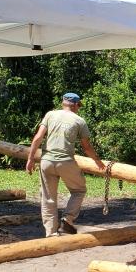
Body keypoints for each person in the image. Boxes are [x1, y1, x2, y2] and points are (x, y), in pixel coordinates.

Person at [26, 93, 105, 237]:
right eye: (78, 106)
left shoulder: (50, 115)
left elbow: (38, 138)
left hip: (47, 162)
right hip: (65, 162)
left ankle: (50, 234)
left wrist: (30, 159)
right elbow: (86, 147)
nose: (78, 109)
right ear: (75, 105)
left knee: (48, 198)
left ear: (63, 103)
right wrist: (97, 161)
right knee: (79, 190)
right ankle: (67, 220)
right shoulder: (79, 121)